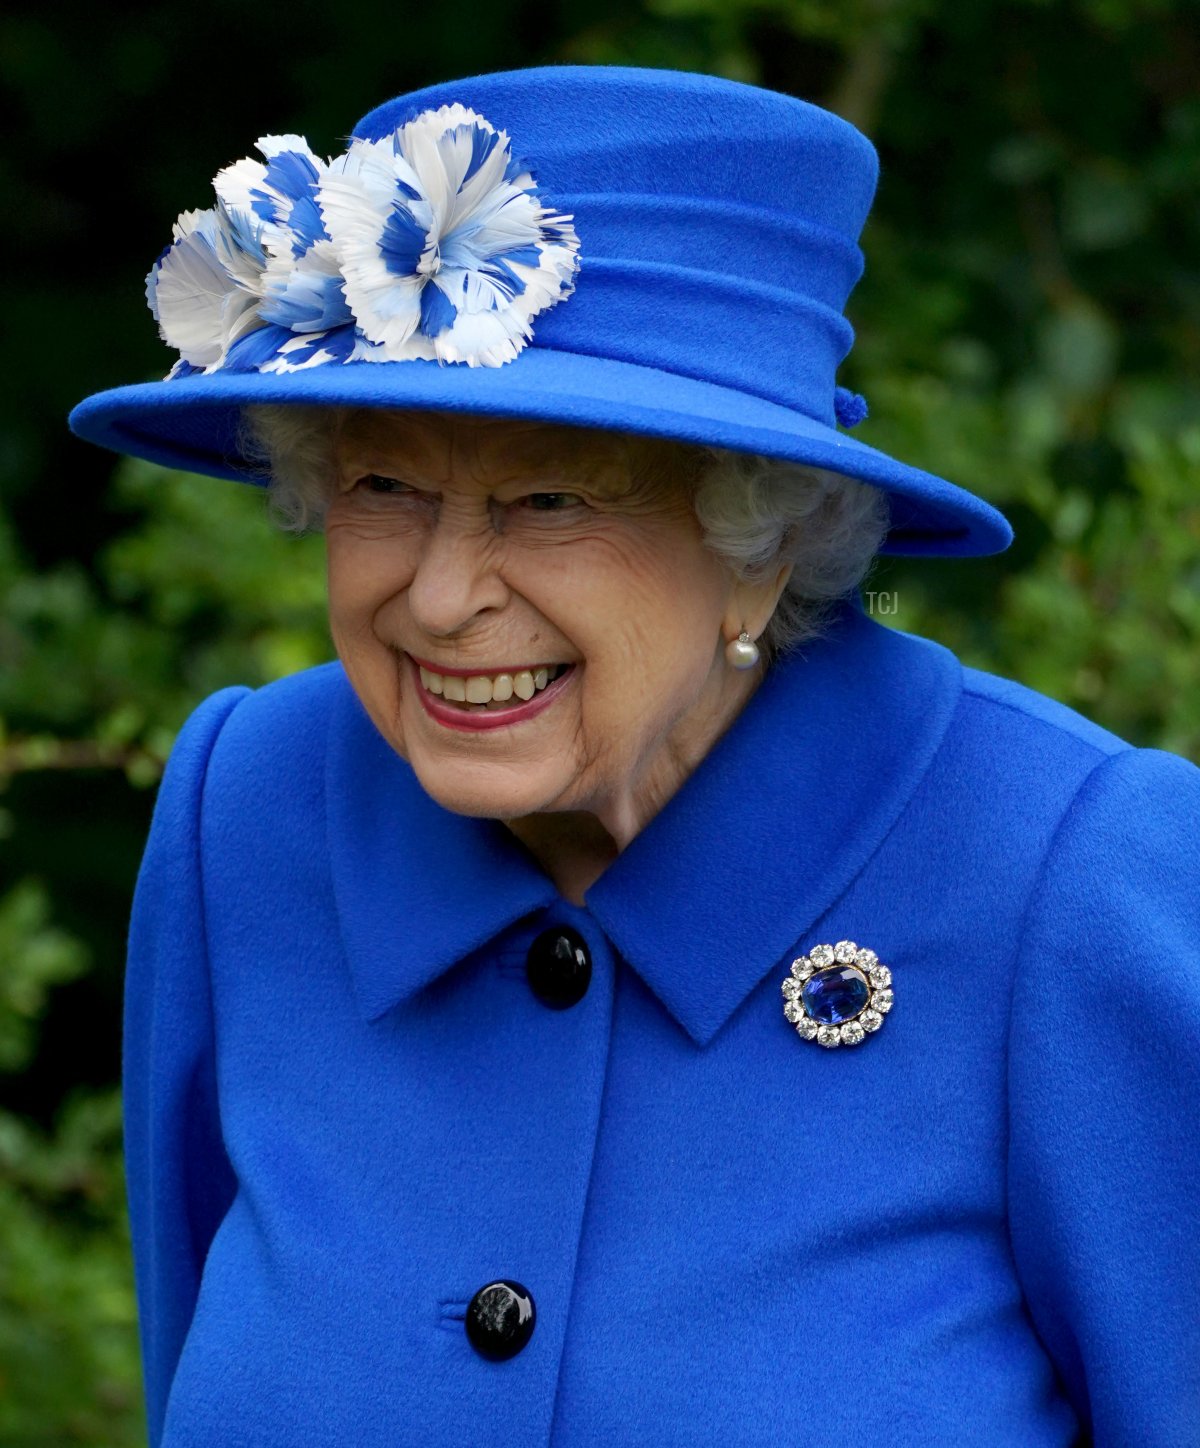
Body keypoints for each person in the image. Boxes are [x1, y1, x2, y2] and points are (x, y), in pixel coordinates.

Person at [69, 64, 1199, 1448]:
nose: (439, 598)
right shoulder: (250, 804)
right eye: (383, 485)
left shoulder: (1067, 876)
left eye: (550, 499)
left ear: (761, 543)